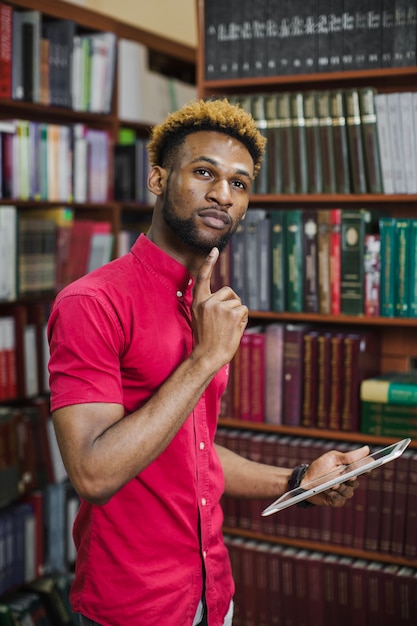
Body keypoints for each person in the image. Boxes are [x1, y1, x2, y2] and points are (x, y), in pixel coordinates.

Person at [47, 98, 370, 626]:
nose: (222, 193)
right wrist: (205, 359)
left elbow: (188, 452)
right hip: (133, 608)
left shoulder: (207, 303)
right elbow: (93, 473)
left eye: (239, 183)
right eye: (204, 173)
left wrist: (298, 480)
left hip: (212, 593)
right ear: (157, 179)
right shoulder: (92, 302)